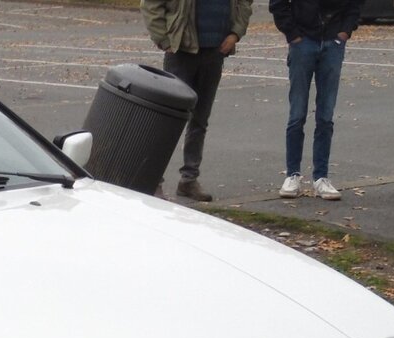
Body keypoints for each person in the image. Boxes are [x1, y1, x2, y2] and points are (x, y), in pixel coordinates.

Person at [142, 0, 253, 202]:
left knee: (200, 120)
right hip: (180, 52)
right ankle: (154, 180)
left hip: (215, 51)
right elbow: (151, 5)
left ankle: (189, 179)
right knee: (168, 121)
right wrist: (164, 39)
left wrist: (235, 33)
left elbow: (244, 3)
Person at [270, 0, 363, 200]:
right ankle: (292, 174)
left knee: (325, 116)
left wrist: (344, 31)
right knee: (297, 114)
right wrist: (292, 34)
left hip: (332, 42)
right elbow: (278, 4)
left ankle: (321, 176)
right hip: (303, 41)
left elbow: (355, 4)